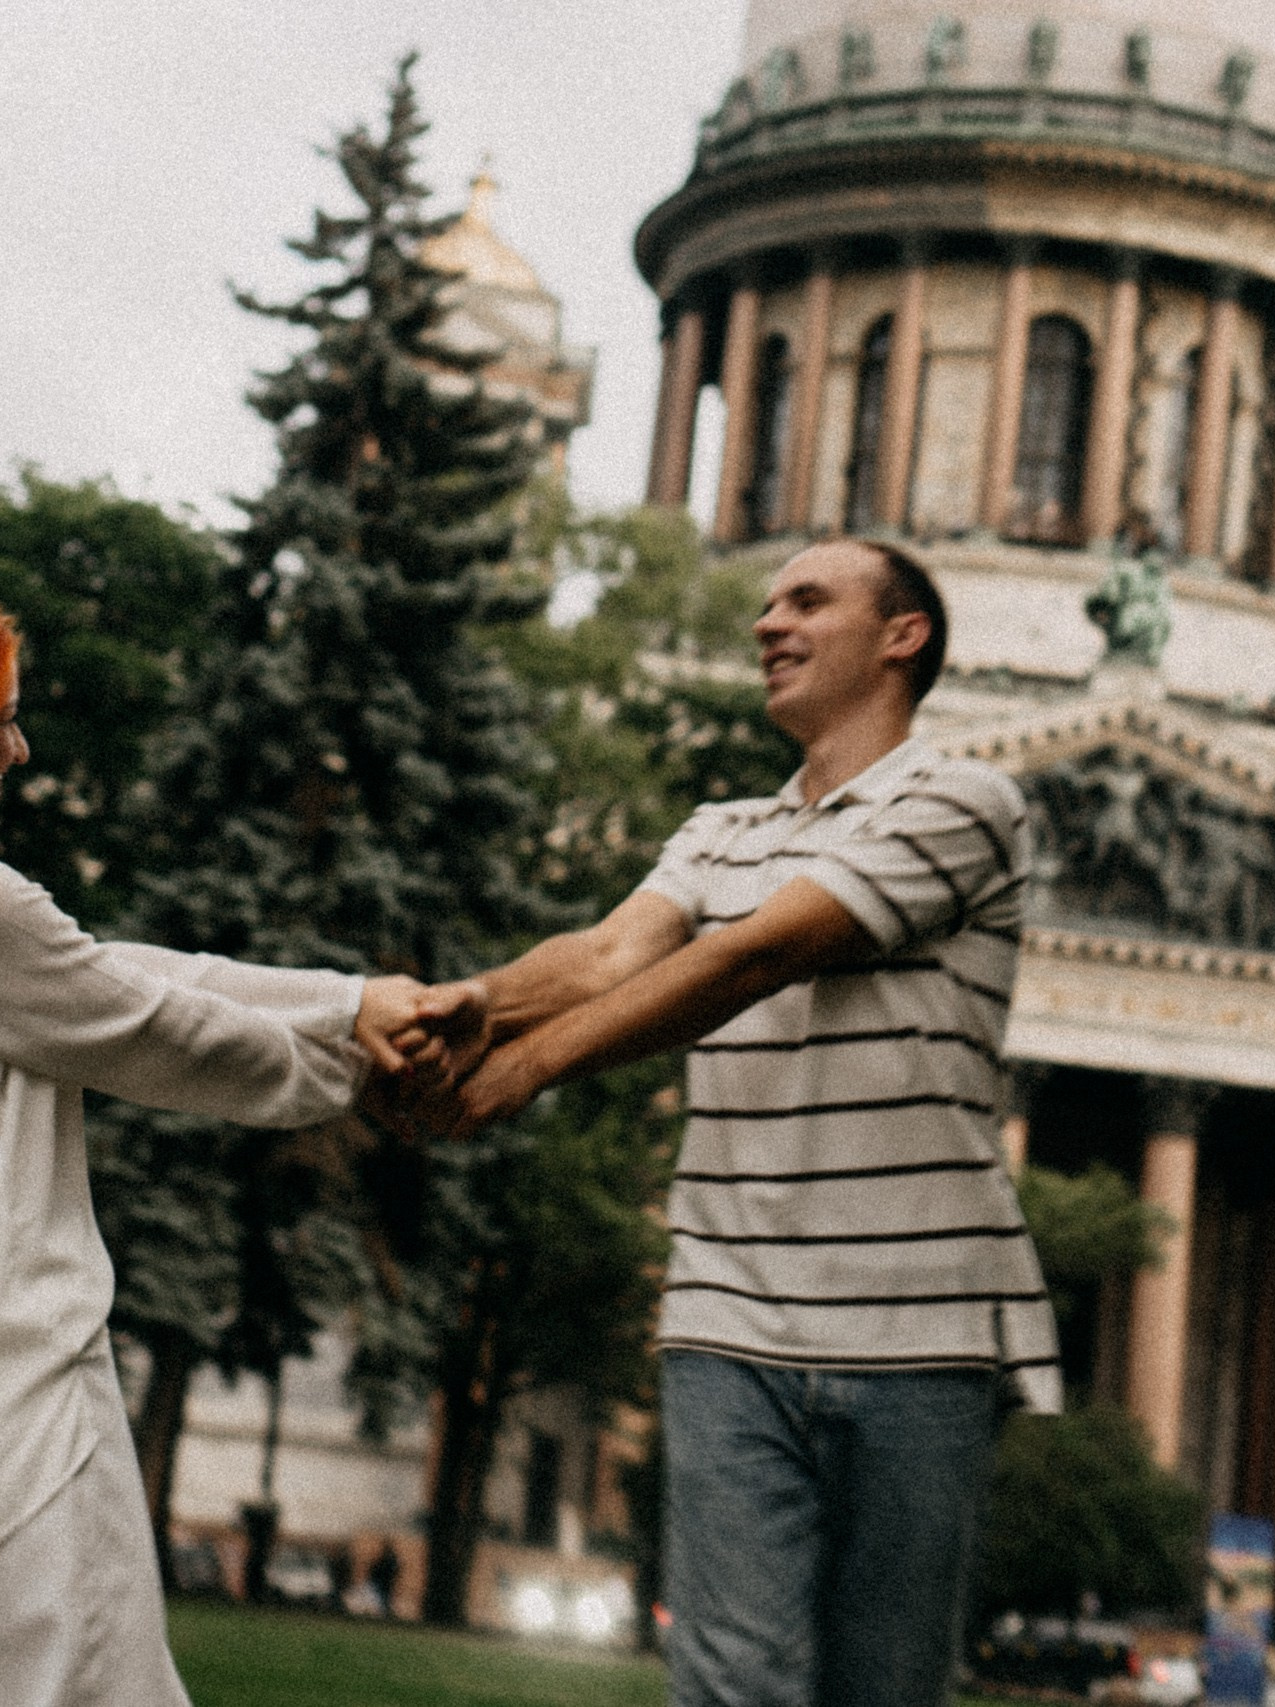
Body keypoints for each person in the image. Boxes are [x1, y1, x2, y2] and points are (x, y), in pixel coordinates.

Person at [0, 585, 472, 1707]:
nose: (20, 751)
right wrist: (372, 1064)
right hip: (22, 1405)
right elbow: (171, 1036)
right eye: (3, 722)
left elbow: (115, 975)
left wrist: (349, 1002)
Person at [438, 539, 1060, 1707]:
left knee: (881, 1688)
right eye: (768, 603)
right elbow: (611, 954)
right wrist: (461, 1010)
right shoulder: (718, 829)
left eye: (806, 601)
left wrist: (517, 1074)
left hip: (917, 1336)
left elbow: (757, 954)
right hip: (728, 1316)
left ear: (900, 637)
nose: (768, 623)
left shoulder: (967, 801)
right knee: (730, 1683)